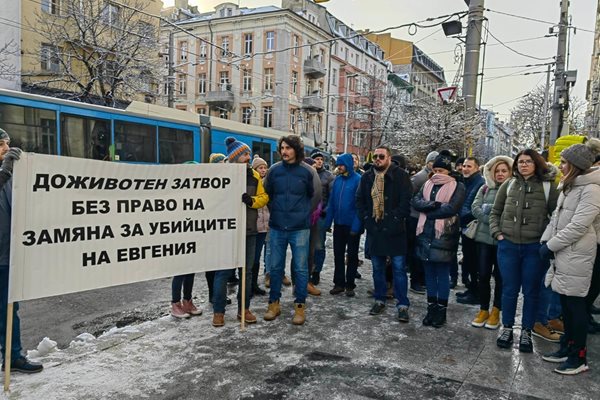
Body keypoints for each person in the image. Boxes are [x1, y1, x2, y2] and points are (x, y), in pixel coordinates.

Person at [540, 139, 600, 375]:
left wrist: (551, 245)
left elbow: (579, 225)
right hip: (565, 251)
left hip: (580, 253)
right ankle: (568, 347)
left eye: (564, 162)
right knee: (566, 303)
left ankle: (578, 357)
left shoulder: (592, 189)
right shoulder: (571, 185)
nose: (560, 166)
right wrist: (546, 240)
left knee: (576, 307)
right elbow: (556, 218)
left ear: (575, 164)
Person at [490, 149, 559, 353]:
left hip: (534, 248)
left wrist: (546, 242)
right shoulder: (509, 184)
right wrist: (498, 234)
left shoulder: (548, 187)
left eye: (528, 161)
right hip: (508, 246)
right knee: (509, 290)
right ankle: (507, 328)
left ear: (537, 164)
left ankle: (527, 331)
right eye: (520, 161)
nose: (523, 165)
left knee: (531, 291)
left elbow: (556, 216)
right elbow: (495, 211)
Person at [263, 135, 320, 325]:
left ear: (296, 149)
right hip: (278, 226)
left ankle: (300, 306)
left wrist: (302, 214)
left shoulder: (308, 172)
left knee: (301, 269)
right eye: (282, 148)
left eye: (288, 148)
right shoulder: (274, 171)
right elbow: (267, 194)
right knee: (275, 267)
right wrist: (278, 213)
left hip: (300, 228)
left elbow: (314, 197)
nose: (284, 152)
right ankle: (274, 304)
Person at [212, 138, 268, 327]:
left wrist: (251, 201)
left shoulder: (254, 175)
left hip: (249, 231)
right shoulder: (220, 175)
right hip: (227, 232)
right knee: (223, 273)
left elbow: (263, 197)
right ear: (235, 157)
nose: (248, 157)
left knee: (247, 272)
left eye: (248, 154)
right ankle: (218, 311)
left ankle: (243, 309)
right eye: (245, 154)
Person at [0, 128, 43, 373]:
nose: (6, 149)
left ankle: (12, 356)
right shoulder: (4, 175)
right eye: (1, 144)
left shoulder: (9, 178)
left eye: (7, 143)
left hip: (7, 256)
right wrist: (6, 171)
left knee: (8, 309)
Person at [356, 145, 412, 322]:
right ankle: (379, 299)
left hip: (396, 231)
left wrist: (394, 220)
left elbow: (406, 202)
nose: (377, 159)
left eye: (381, 156)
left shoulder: (401, 176)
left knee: (398, 269)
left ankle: (402, 304)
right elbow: (360, 200)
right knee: (377, 268)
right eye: (375, 157)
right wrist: (367, 219)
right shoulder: (367, 176)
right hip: (375, 229)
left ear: (389, 158)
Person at [412, 154, 465, 328]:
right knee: (429, 274)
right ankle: (431, 308)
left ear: (448, 171)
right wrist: (433, 206)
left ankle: (441, 310)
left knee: (442, 274)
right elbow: (416, 201)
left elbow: (452, 208)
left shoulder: (458, 186)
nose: (436, 174)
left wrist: (429, 212)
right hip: (425, 234)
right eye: (434, 170)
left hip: (444, 235)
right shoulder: (427, 184)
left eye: (441, 170)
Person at [469, 156, 513, 329]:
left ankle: (496, 310)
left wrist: (490, 215)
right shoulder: (485, 188)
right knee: (484, 276)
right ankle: (483, 309)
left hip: (503, 241)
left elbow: (509, 215)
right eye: (497, 171)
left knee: (501, 278)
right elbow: (475, 208)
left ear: (510, 172)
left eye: (504, 171)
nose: (500, 174)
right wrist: (492, 218)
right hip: (484, 240)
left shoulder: (513, 190)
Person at [170, 161, 205, 319]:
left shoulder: (197, 191)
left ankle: (187, 301)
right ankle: (175, 304)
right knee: (180, 271)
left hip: (192, 235)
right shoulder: (175, 192)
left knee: (190, 270)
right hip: (178, 237)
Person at [325, 154, 362, 297]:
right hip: (339, 224)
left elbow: (360, 206)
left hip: (352, 225)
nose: (338, 167)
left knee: (352, 256)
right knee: (338, 255)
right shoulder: (338, 181)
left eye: (341, 164)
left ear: (347, 164)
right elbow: (332, 204)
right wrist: (328, 222)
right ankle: (339, 283)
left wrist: (356, 226)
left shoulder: (358, 180)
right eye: (338, 164)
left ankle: (350, 284)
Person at [408, 151, 439, 294]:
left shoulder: (436, 177)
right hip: (415, 218)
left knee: (424, 250)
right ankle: (415, 281)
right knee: (416, 250)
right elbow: (410, 196)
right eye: (432, 161)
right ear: (428, 162)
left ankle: (422, 279)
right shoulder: (420, 177)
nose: (434, 164)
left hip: (427, 218)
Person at [456, 157, 485, 305]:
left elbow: (473, 206)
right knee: (469, 259)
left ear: (477, 168)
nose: (465, 168)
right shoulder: (468, 181)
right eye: (464, 166)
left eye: (469, 166)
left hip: (472, 227)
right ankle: (472, 289)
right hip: (467, 226)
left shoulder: (479, 182)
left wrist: (459, 216)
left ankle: (475, 293)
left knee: (473, 261)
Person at [309, 152, 334, 286]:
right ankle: (307, 270)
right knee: (306, 245)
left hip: (320, 216)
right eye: (316, 159)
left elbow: (331, 197)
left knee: (319, 245)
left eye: (321, 159)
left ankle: (317, 271)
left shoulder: (329, 176)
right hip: (306, 215)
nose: (319, 161)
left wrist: (325, 212)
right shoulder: (307, 172)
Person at [252, 156, 269, 296]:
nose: (263, 170)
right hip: (255, 225)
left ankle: (255, 284)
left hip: (267, 226)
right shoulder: (252, 182)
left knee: (264, 255)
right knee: (254, 257)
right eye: (260, 168)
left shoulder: (269, 183)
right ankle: (251, 284)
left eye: (264, 167)